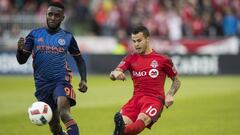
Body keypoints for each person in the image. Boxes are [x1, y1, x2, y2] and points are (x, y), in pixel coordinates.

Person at [16, 2, 87, 135]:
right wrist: (19, 51)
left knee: (63, 113)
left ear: (62, 18)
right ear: (46, 15)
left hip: (61, 81)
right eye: (50, 14)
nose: (53, 18)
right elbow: (21, 60)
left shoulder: (68, 37)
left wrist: (84, 79)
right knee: (54, 127)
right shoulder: (34, 35)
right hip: (42, 85)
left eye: (57, 15)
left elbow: (79, 59)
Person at [110, 25, 181, 135]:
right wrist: (115, 74)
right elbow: (115, 72)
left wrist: (170, 94)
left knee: (142, 118)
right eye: (134, 41)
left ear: (147, 39)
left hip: (154, 100)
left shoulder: (162, 60)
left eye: (139, 40)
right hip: (135, 100)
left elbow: (176, 80)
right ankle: (121, 131)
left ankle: (121, 132)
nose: (136, 44)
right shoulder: (130, 58)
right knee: (123, 123)